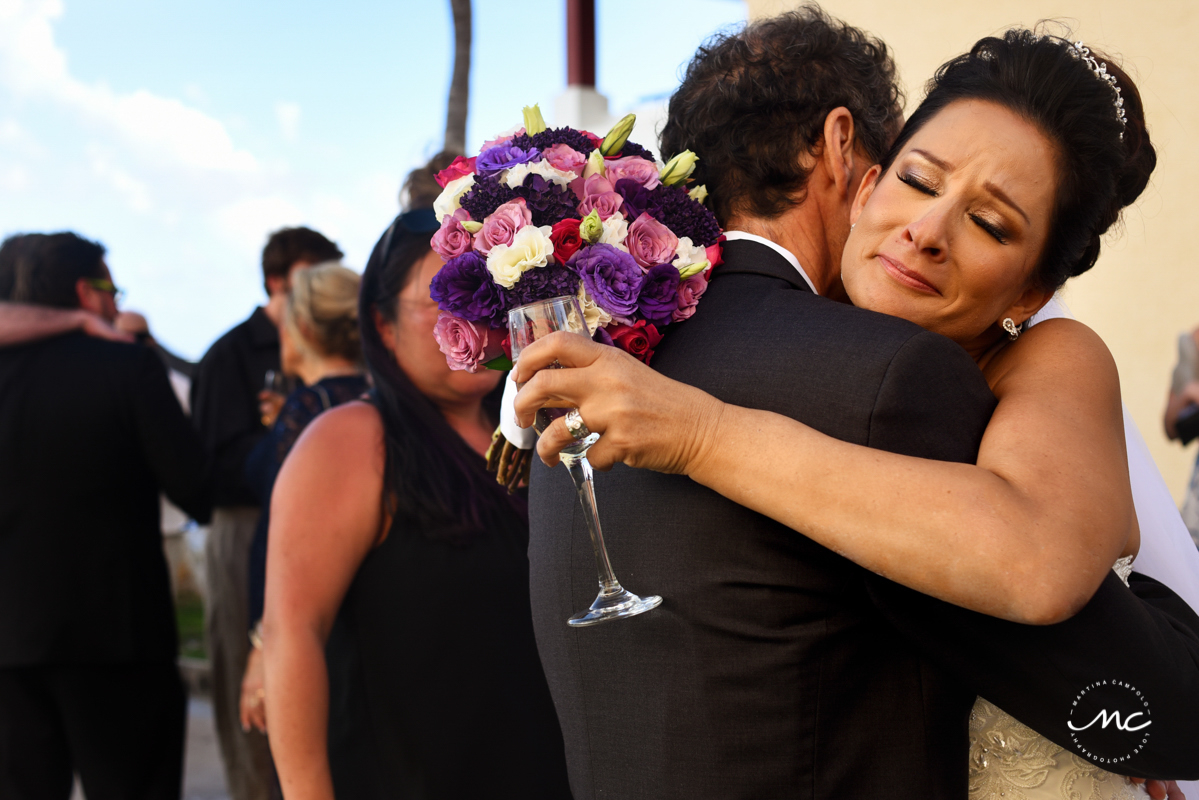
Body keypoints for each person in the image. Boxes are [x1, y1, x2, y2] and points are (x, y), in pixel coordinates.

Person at [513, 13, 1199, 799]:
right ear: (866, 179)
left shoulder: (1024, 365)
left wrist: (698, 433)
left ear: (1032, 293)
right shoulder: (649, 367)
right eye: (917, 179)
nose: (927, 231)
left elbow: (1081, 619)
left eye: (988, 222)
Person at [261, 203, 571, 800]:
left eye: (485, 295)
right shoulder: (352, 439)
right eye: (444, 300)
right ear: (382, 326)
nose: (475, 321)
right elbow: (291, 632)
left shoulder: (535, 438)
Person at [0, 232, 208, 799]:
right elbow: (196, 488)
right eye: (111, 288)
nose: (118, 303)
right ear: (84, 293)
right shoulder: (125, 367)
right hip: (117, 637)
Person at [190, 225, 343, 800]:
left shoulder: (339, 356)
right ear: (277, 281)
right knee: (255, 687)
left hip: (324, 526)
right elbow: (210, 471)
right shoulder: (229, 355)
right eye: (308, 277)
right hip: (248, 529)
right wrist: (288, 432)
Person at [237, 262, 367, 735]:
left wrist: (260, 646)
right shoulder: (378, 398)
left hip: (315, 630)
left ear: (304, 329)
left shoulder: (308, 412)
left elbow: (283, 544)